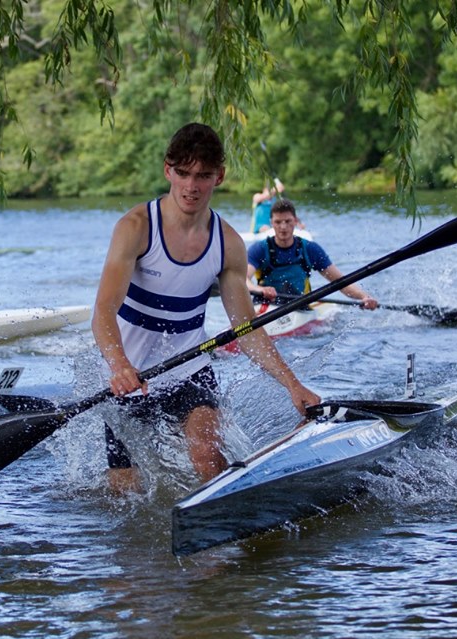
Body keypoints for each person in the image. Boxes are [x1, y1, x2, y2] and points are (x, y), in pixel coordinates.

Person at [91, 123, 321, 490]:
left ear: (220, 176)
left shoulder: (228, 243)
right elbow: (103, 311)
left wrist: (293, 386)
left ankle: (230, 523)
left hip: (189, 370)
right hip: (130, 379)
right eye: (182, 173)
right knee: (124, 494)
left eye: (203, 176)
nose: (191, 186)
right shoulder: (135, 227)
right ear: (168, 170)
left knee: (207, 457)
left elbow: (245, 328)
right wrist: (119, 365)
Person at [246, 198, 379, 309]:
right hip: (265, 305)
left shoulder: (310, 249)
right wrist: (260, 290)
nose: (283, 227)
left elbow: (339, 281)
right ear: (271, 223)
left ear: (296, 222)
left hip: (299, 306)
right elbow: (243, 280)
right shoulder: (259, 249)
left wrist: (364, 297)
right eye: (278, 222)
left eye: (288, 221)